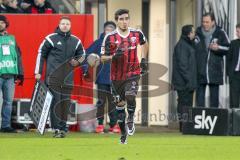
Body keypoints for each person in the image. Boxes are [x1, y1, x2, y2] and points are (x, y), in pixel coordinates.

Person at [101, 9, 148, 144]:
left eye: (126, 18)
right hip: (116, 78)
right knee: (120, 106)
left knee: (130, 95)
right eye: (121, 19)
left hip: (132, 73)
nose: (124, 21)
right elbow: (102, 57)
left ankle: (131, 119)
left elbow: (144, 43)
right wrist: (113, 56)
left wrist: (144, 59)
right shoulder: (109, 37)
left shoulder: (136, 33)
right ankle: (123, 134)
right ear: (117, 21)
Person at [34, 16, 85, 138]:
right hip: (53, 78)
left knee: (65, 104)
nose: (65, 25)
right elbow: (41, 54)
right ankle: (56, 129)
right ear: (59, 25)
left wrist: (75, 63)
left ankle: (63, 128)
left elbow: (82, 55)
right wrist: (38, 71)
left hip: (68, 79)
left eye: (67, 24)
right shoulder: (50, 39)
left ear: (70, 26)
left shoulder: (76, 41)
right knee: (56, 103)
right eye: (63, 23)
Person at [84, 21, 120, 134]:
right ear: (104, 30)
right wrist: (86, 69)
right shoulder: (98, 43)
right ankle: (99, 124)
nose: (109, 31)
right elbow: (86, 55)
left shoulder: (120, 43)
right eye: (107, 29)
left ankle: (114, 125)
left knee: (114, 102)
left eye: (111, 30)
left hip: (116, 78)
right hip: (101, 77)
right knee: (101, 102)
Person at [195, 12, 230, 108]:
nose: (205, 24)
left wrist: (218, 48)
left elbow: (228, 48)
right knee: (199, 101)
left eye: (207, 22)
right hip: (200, 72)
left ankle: (213, 121)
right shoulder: (197, 32)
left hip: (214, 72)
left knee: (214, 102)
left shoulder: (220, 32)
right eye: (203, 22)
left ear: (213, 22)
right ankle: (200, 121)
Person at [0, 15, 24, 132]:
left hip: (10, 75)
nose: (0, 24)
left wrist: (20, 73)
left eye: (2, 22)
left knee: (8, 102)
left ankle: (5, 126)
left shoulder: (12, 39)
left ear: (6, 24)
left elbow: (18, 57)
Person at [172, 25, 197, 132]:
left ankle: (185, 126)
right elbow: (183, 66)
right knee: (184, 105)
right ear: (189, 33)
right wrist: (189, 80)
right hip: (183, 83)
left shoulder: (187, 44)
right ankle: (184, 127)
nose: (194, 34)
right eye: (193, 32)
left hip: (185, 81)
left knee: (186, 104)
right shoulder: (182, 46)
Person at [227, 23, 240, 108]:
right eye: (237, 31)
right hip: (235, 75)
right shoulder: (233, 43)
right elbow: (228, 60)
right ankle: (233, 121)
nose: (237, 33)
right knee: (234, 101)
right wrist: (229, 74)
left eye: (239, 31)